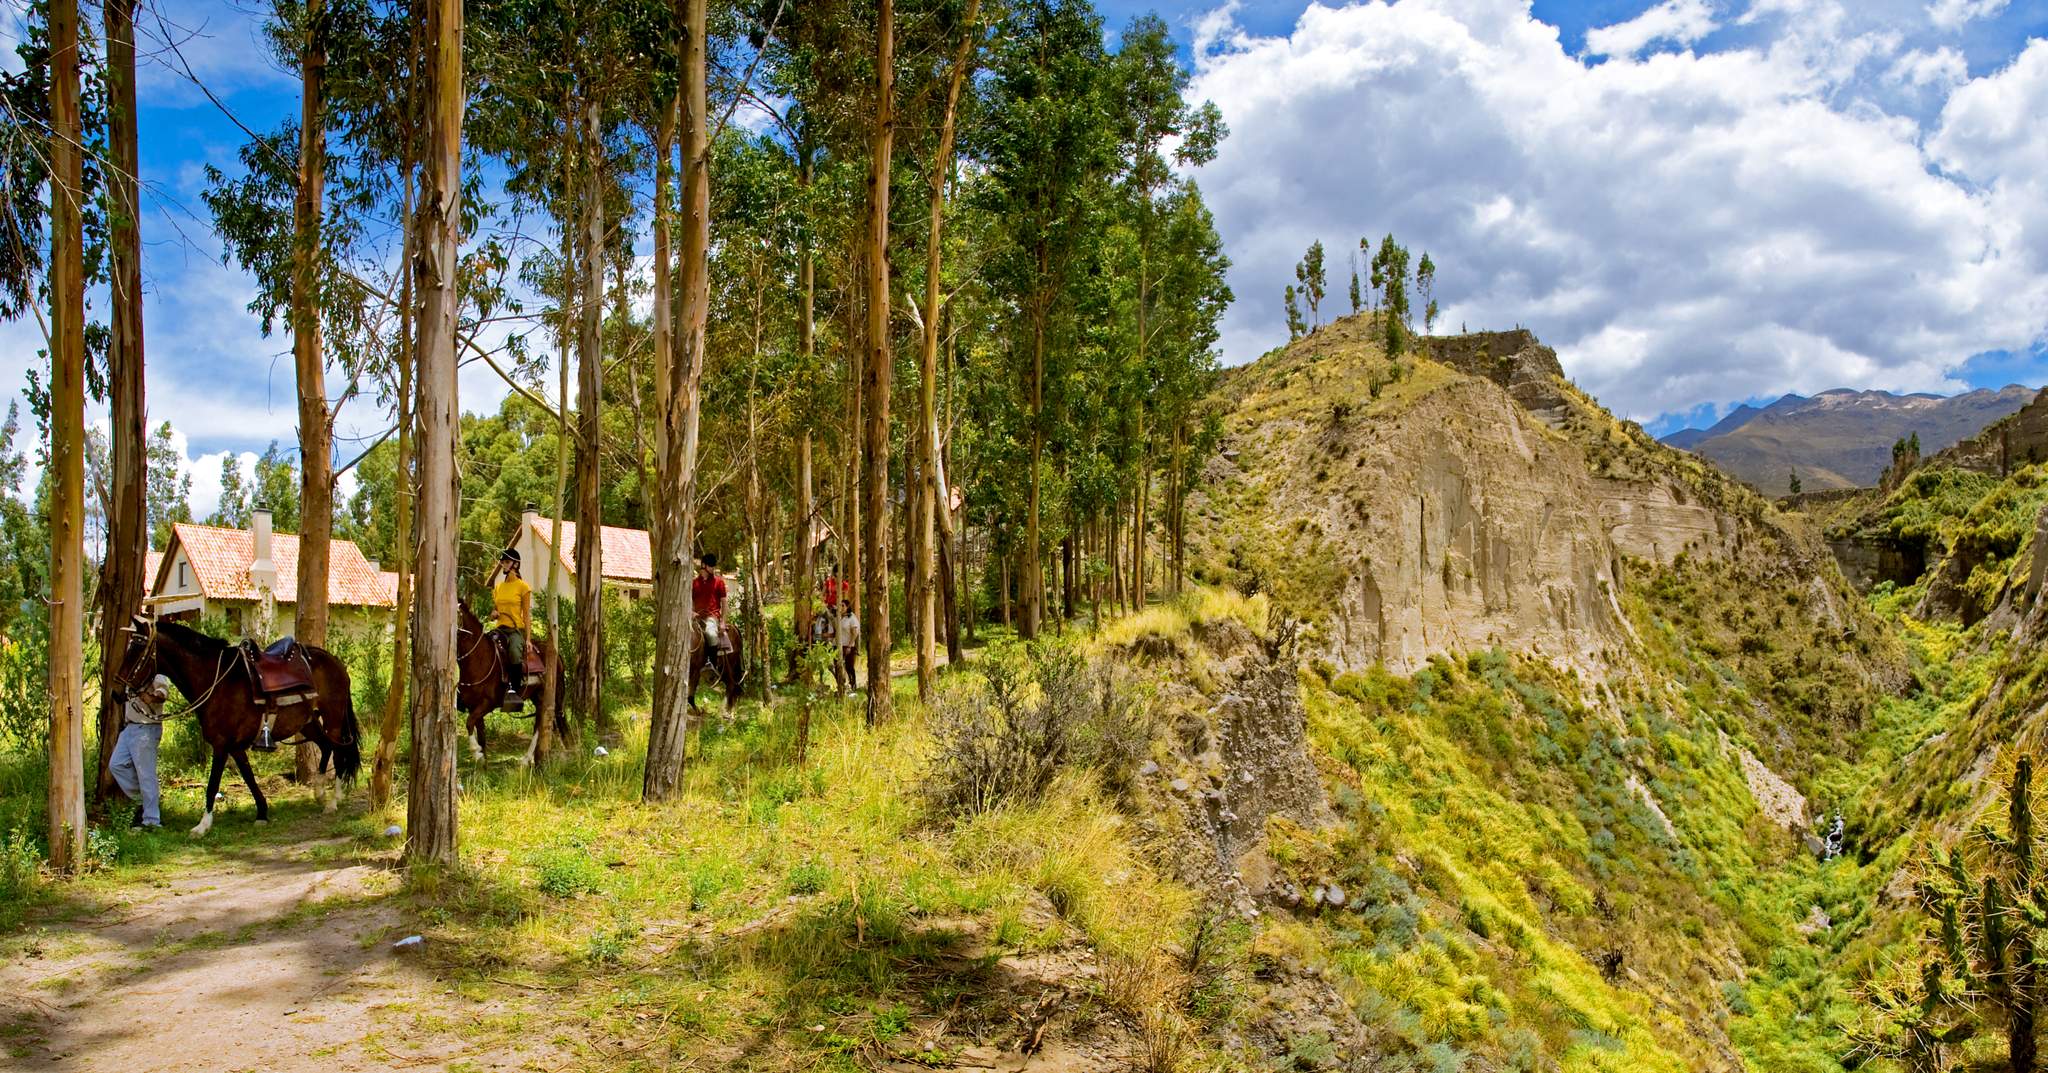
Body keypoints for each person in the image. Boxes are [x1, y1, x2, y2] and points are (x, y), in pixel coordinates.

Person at [109, 673, 171, 829]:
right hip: (130, 727)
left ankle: (151, 821)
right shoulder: (133, 672)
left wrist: (152, 697)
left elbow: (163, 691)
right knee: (116, 765)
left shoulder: (154, 671)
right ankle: (145, 802)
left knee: (146, 774)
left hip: (146, 727)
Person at [490, 548, 533, 697]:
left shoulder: (523, 587)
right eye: (502, 562)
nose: (503, 565)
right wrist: (493, 614)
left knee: (514, 652)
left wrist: (528, 639)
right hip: (499, 629)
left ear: (515, 564)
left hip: (515, 630)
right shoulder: (498, 587)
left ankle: (515, 689)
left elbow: (526, 615)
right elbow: (495, 611)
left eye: (507, 562)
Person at [694, 553, 731, 654]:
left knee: (711, 635)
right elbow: (689, 601)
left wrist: (723, 622)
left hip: (711, 617)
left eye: (714, 566)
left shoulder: (719, 582)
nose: (713, 568)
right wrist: (691, 612)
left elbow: (724, 603)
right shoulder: (694, 583)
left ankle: (712, 662)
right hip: (696, 618)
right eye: (711, 566)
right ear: (704, 565)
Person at [836, 601, 861, 696]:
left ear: (847, 607)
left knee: (849, 667)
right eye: (840, 605)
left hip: (848, 645)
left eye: (843, 606)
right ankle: (841, 686)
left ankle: (853, 686)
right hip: (839, 645)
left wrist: (850, 646)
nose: (841, 607)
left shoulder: (852, 618)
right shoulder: (840, 618)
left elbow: (855, 633)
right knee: (837, 666)